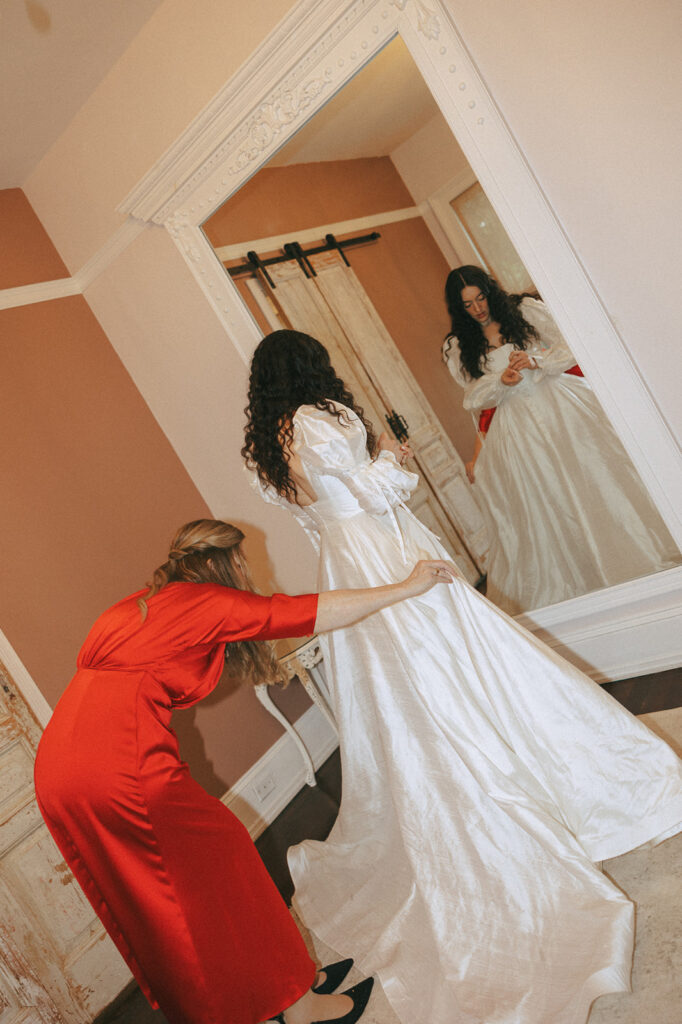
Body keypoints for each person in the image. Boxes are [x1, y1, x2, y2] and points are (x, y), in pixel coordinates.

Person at [242, 329, 682, 1024]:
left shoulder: (267, 447)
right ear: (309, 369)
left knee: (398, 694)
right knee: (456, 661)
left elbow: (319, 520)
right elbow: (367, 492)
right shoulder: (319, 419)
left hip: (343, 563)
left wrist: (378, 482)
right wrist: (393, 458)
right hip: (384, 553)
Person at [34, 518, 457, 1024]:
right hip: (119, 764)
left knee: (154, 895)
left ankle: (267, 990)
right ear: (226, 564)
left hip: (59, 763)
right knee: (224, 868)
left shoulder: (141, 605)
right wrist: (407, 586)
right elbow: (307, 613)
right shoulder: (205, 601)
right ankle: (299, 1005)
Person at [442, 264, 680, 613]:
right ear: (457, 308)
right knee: (551, 500)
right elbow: (472, 397)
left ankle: (635, 556)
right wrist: (499, 382)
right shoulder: (459, 345)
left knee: (597, 479)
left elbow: (571, 346)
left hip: (563, 407)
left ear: (490, 291)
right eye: (467, 304)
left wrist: (537, 360)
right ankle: (583, 578)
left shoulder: (523, 311)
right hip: (518, 427)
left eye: (481, 298)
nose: (478, 308)